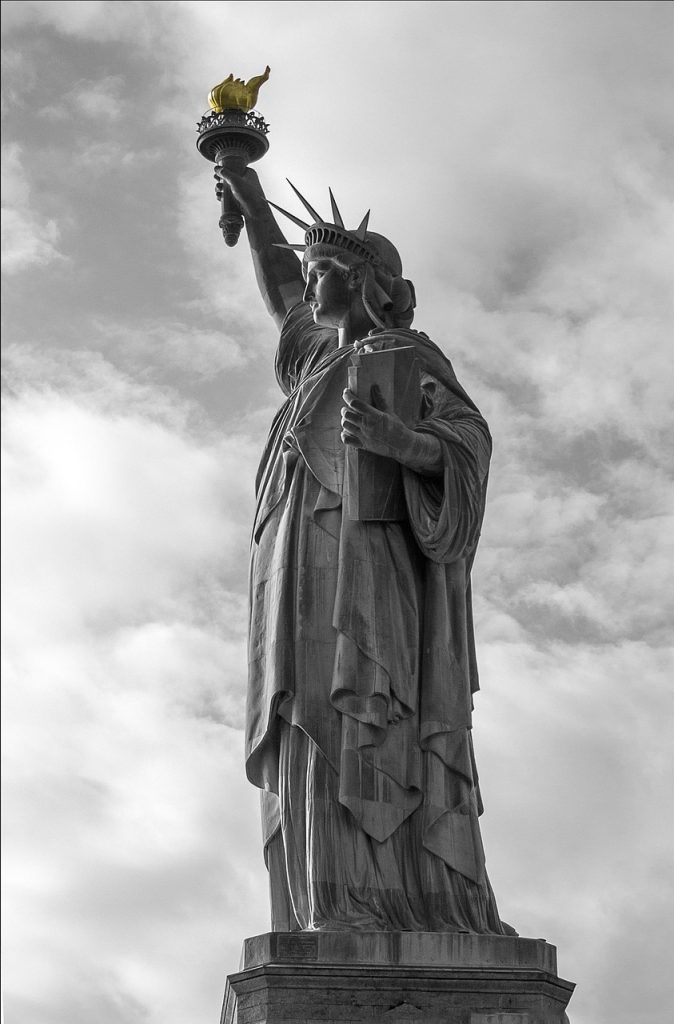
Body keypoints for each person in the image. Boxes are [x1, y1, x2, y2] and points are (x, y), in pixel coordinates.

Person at [217, 166, 513, 934]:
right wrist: (248, 195)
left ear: (363, 282)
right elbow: (282, 286)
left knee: (375, 718)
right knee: (312, 719)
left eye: (323, 274)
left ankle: (403, 898)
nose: (309, 288)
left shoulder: (406, 357)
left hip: (375, 569)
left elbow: (469, 442)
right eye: (313, 273)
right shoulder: (316, 359)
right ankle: (330, 900)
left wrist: (402, 442)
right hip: (298, 576)